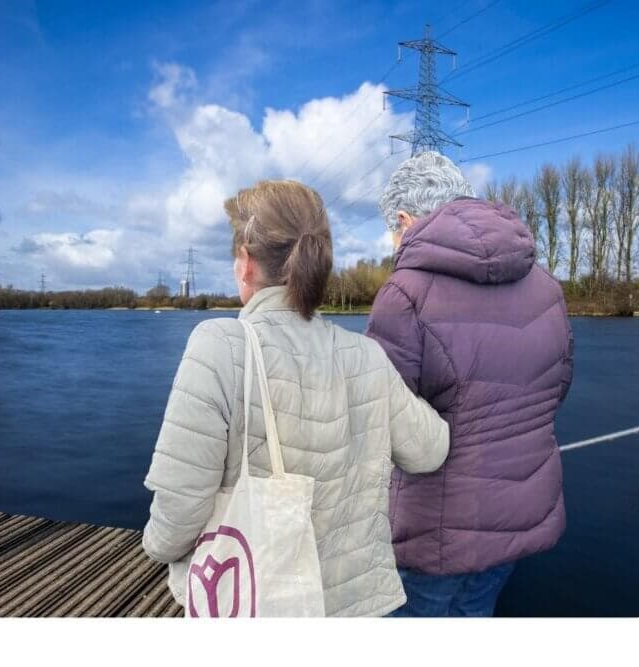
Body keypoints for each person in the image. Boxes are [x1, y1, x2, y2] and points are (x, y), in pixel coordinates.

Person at [142, 179, 449, 617]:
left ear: (246, 264)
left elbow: (178, 515)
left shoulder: (221, 346)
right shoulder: (367, 354)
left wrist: (154, 547)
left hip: (254, 600)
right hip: (356, 609)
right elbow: (430, 450)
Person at [366, 152, 574, 617]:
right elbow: (556, 388)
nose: (395, 244)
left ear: (403, 219)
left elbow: (382, 423)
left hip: (431, 534)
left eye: (392, 231)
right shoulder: (546, 286)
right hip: (520, 517)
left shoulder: (403, 294)